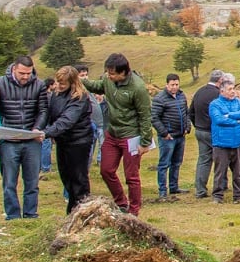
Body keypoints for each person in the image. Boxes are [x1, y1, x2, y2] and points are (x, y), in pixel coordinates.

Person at [84, 52, 155, 216]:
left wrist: (144, 141)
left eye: (112, 73)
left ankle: (134, 210)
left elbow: (145, 115)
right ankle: (121, 202)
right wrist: (79, 80)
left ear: (124, 72)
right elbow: (96, 86)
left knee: (132, 176)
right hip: (113, 133)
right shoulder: (108, 81)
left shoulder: (137, 88)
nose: (109, 76)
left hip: (131, 136)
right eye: (108, 72)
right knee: (106, 170)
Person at [0, 55, 48, 220]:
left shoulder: (39, 85)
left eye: (28, 73)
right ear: (14, 68)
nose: (25, 77)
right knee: (9, 181)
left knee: (32, 181)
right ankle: (12, 215)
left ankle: (31, 213)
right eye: (22, 73)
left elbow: (43, 110)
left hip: (31, 140)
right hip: (8, 140)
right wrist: (0, 130)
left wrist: (37, 128)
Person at [38, 65, 95, 213]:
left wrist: (47, 133)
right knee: (66, 177)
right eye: (57, 82)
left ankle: (82, 210)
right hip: (63, 141)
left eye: (62, 83)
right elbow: (50, 115)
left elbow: (67, 120)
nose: (58, 86)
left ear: (72, 82)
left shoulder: (79, 97)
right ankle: (73, 209)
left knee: (78, 178)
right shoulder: (56, 95)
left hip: (79, 142)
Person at [207, 73, 240, 204]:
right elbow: (218, 119)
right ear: (222, 91)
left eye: (234, 89)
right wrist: (236, 122)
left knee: (238, 172)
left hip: (237, 143)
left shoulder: (237, 102)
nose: (233, 92)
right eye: (230, 89)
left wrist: (229, 115)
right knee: (220, 171)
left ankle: (238, 196)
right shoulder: (215, 104)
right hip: (221, 143)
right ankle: (217, 196)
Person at [151, 73, 191, 201]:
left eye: (177, 84)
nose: (175, 87)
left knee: (177, 162)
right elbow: (154, 118)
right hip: (167, 137)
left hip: (180, 135)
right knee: (164, 163)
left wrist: (187, 126)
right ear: (167, 85)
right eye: (172, 85)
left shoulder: (181, 96)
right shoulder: (160, 99)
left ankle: (174, 186)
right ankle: (163, 190)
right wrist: (164, 133)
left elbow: (186, 113)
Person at [189, 68, 222, 199]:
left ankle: (200, 190)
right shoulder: (217, 94)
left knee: (203, 160)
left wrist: (197, 124)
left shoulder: (199, 91)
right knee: (221, 159)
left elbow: (190, 111)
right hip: (212, 131)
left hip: (199, 130)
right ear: (220, 81)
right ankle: (220, 187)